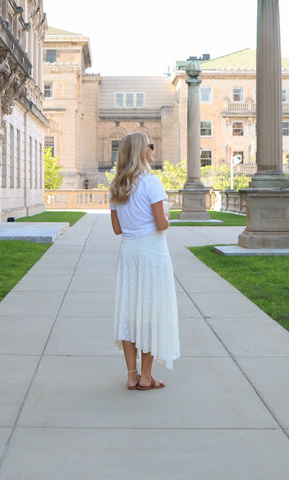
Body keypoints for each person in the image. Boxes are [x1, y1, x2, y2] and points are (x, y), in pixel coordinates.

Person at [109, 132, 180, 391]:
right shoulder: (152, 182)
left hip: (129, 254)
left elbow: (117, 229)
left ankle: (131, 375)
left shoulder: (116, 185)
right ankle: (147, 377)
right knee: (151, 313)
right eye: (150, 145)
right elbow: (161, 224)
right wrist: (168, 216)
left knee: (129, 311)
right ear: (141, 151)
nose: (153, 149)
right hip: (152, 254)